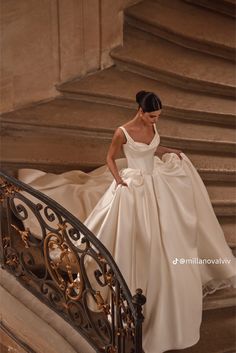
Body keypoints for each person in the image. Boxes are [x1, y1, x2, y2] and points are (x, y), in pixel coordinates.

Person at [18, 90, 236, 353]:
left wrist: (169, 150)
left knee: (172, 234)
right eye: (152, 116)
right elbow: (110, 158)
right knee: (136, 238)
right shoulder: (122, 131)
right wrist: (118, 179)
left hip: (157, 186)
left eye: (158, 117)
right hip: (134, 187)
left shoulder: (153, 125)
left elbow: (153, 147)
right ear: (140, 111)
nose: (155, 121)